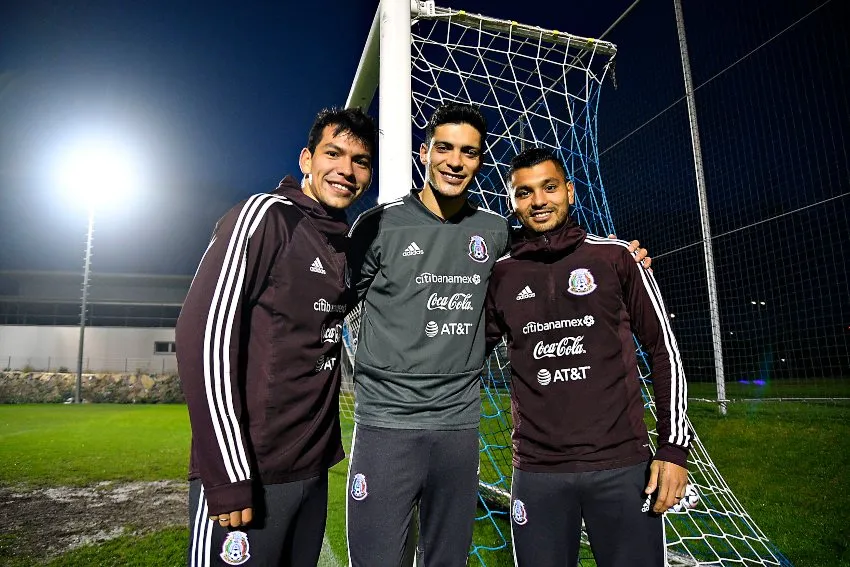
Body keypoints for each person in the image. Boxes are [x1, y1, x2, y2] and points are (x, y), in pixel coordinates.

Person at [345, 103, 650, 566]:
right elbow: (331, 305)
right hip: (388, 425)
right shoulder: (378, 226)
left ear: (480, 162)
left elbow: (549, 255)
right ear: (423, 152)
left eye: (469, 152)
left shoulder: (495, 232)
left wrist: (626, 260)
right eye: (444, 147)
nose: (454, 160)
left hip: (458, 429)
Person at [176, 107, 376, 567]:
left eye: (360, 160)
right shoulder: (265, 216)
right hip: (251, 472)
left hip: (309, 474)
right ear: (306, 159)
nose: (346, 169)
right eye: (333, 153)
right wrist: (228, 474)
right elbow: (201, 335)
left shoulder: (342, 245)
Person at [484, 147, 690, 567]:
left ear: (571, 192)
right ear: (512, 200)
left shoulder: (615, 257)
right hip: (538, 473)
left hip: (621, 466)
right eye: (524, 193)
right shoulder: (500, 275)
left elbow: (664, 350)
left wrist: (672, 450)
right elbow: (463, 355)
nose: (538, 201)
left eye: (549, 187)